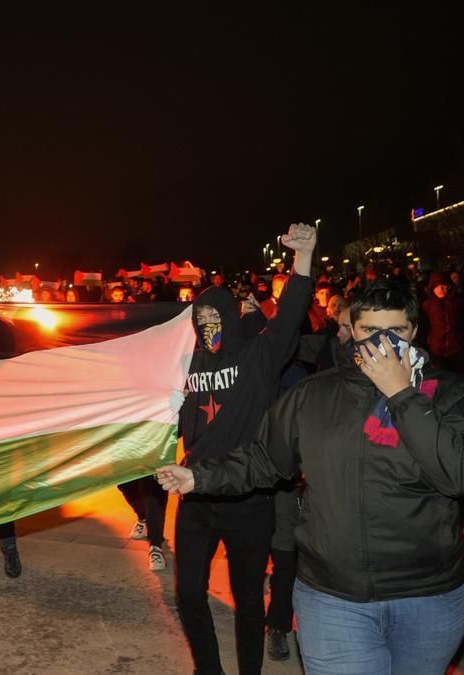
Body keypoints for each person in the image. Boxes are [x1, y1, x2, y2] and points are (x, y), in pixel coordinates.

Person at [157, 278, 464, 675]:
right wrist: (199, 478)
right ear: (351, 331)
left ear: (415, 331)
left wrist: (403, 396)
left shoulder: (450, 394)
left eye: (396, 331)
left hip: (426, 597)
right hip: (334, 597)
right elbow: (265, 459)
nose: (383, 344)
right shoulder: (314, 395)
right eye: (371, 331)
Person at [173, 223, 316, 675]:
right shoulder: (188, 361)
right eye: (201, 322)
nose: (208, 329)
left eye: (216, 320)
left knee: (249, 599)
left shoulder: (258, 356)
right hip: (195, 495)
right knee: (188, 594)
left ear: (232, 319)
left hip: (248, 499)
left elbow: (291, 313)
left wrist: (304, 259)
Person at [421, 273, 464, 382]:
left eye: (445, 286)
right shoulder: (427, 305)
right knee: (440, 382)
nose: (443, 289)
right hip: (436, 351)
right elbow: (423, 327)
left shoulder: (461, 302)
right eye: (440, 286)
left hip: (459, 349)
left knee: (460, 381)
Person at [117, 475, 169, 571]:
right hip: (125, 460)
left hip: (153, 461)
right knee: (126, 485)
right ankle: (143, 517)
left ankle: (155, 545)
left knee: (153, 489)